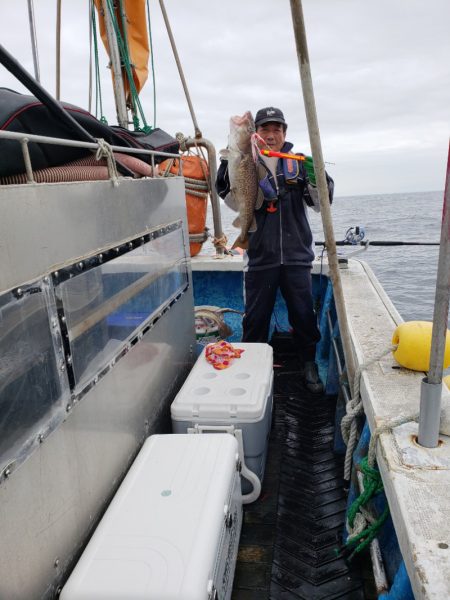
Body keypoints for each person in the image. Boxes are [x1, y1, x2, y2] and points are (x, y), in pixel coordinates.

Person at [216, 107, 334, 394]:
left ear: (284, 133)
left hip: (296, 257)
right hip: (259, 257)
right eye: (265, 129)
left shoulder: (298, 162)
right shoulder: (248, 161)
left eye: (277, 130)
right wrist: (227, 165)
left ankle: (308, 363)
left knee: (304, 315)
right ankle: (253, 366)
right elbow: (230, 199)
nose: (271, 135)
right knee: (255, 319)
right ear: (256, 133)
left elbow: (322, 203)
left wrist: (316, 176)